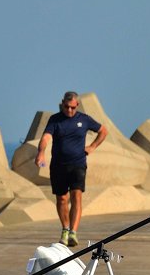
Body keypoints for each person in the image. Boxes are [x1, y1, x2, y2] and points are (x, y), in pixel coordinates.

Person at [36, 91, 107, 246]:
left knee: (76, 196)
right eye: (67, 107)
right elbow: (46, 137)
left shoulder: (84, 119)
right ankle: (65, 229)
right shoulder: (55, 120)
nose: (69, 111)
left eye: (72, 108)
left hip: (78, 164)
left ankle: (73, 233)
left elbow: (103, 130)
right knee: (62, 199)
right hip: (58, 166)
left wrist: (93, 146)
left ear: (77, 105)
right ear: (62, 103)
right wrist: (41, 153)